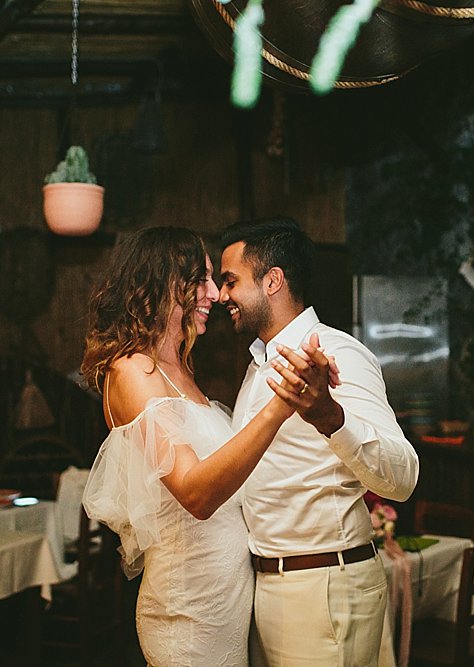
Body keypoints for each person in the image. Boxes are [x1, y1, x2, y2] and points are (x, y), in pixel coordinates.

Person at [79, 226, 319, 667]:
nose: (214, 293)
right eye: (201, 279)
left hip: (226, 605)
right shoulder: (132, 371)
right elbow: (195, 493)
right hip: (187, 613)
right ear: (163, 281)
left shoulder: (179, 370)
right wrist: (281, 405)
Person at [219, 216, 420, 666]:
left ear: (272, 281)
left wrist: (331, 418)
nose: (221, 295)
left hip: (324, 586)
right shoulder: (258, 365)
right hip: (271, 586)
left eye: (230, 281)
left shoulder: (338, 352)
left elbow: (403, 477)